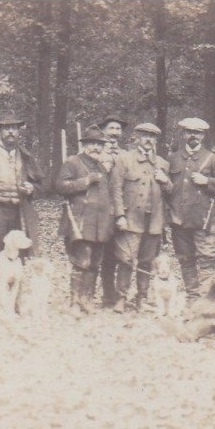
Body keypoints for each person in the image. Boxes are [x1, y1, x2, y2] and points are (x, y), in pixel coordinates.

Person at [166, 117, 215, 299]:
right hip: (179, 219)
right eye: (189, 132)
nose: (193, 135)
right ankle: (192, 298)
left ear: (203, 136)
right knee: (185, 260)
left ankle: (205, 300)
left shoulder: (212, 158)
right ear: (183, 134)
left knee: (206, 260)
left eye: (197, 132)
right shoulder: (172, 158)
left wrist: (207, 181)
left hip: (205, 219)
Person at [110, 122, 172, 312]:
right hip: (131, 219)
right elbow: (116, 189)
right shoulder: (124, 159)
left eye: (152, 137)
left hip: (153, 222)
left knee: (147, 260)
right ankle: (121, 297)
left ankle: (141, 298)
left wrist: (165, 180)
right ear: (137, 137)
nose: (148, 140)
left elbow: (170, 192)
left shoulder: (162, 163)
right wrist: (120, 215)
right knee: (126, 259)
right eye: (144, 135)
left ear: (156, 140)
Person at [55, 125, 114, 317]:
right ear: (85, 144)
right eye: (92, 143)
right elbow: (60, 186)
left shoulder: (102, 168)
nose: (96, 147)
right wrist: (86, 181)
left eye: (99, 144)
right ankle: (74, 302)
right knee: (82, 261)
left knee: (95, 262)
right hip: (79, 221)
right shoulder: (73, 162)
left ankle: (87, 300)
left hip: (99, 224)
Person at [0, 114, 43, 283]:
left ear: (19, 132)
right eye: (6, 128)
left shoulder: (26, 156)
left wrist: (31, 188)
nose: (10, 132)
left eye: (14, 128)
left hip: (18, 212)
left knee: (18, 255)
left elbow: (41, 184)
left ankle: (16, 299)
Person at [96, 114, 128, 306]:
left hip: (123, 211)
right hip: (102, 211)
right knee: (105, 255)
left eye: (118, 129)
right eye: (111, 129)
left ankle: (120, 294)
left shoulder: (126, 155)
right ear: (103, 131)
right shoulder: (96, 153)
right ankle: (107, 293)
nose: (115, 133)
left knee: (122, 254)